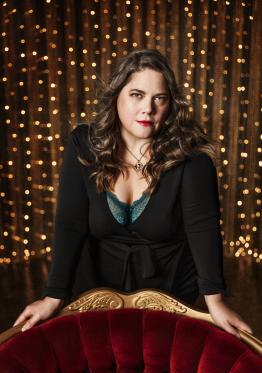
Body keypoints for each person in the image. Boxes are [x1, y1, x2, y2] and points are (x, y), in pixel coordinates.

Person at [13, 48, 252, 338]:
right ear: (117, 96)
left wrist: (215, 301)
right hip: (97, 290)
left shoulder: (192, 159)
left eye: (159, 98)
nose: (148, 109)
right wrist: (53, 296)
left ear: (170, 104)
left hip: (168, 293)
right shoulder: (83, 144)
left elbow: (202, 227)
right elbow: (71, 223)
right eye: (137, 95)